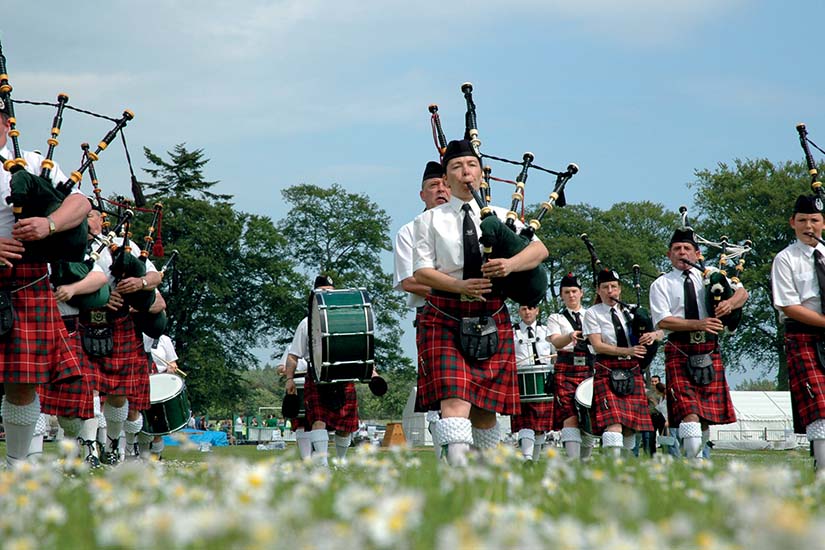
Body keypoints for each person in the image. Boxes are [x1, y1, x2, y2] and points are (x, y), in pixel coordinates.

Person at [412, 139, 549, 466]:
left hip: (492, 314)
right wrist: (459, 286)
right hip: (446, 314)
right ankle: (458, 472)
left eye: (471, 166)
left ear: (481, 175)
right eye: (457, 167)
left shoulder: (502, 216)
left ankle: (485, 475)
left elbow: (539, 251)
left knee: (486, 410)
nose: (465, 173)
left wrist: (510, 265)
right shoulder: (429, 221)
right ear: (446, 179)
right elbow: (422, 271)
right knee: (455, 399)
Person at [0, 102, 92, 467]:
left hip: (25, 278)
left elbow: (80, 203)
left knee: (22, 384)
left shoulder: (31, 164)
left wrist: (49, 224)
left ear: (8, 124)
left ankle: (16, 465)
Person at [650, 227, 746, 459]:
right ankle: (692, 463)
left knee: (703, 416)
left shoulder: (711, 274)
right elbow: (663, 321)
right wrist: (699, 324)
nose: (682, 253)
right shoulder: (661, 284)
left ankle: (699, 461)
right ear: (669, 254)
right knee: (689, 412)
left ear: (696, 253)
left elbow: (743, 293)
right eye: (676, 249)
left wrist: (730, 303)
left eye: (687, 248)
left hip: (709, 348)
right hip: (680, 349)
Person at [83, 208, 162, 464]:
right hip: (83, 320)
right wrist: (101, 296)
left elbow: (154, 276)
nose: (86, 219)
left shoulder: (119, 244)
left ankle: (113, 443)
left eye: (91, 214)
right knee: (85, 388)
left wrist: (138, 285)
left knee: (117, 394)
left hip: (119, 324)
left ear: (100, 218)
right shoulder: (69, 245)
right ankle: (88, 449)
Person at [393, 160, 450, 459]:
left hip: (478, 315)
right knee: (439, 397)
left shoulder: (474, 224)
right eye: (433, 186)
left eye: (444, 185)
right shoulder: (409, 231)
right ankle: (446, 460)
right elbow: (407, 281)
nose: (440, 190)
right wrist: (454, 290)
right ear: (422, 194)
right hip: (435, 317)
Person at [771, 194, 825, 473]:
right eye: (802, 220)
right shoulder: (785, 259)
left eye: (814, 220)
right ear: (792, 223)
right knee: (820, 406)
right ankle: (822, 471)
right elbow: (788, 306)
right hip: (804, 336)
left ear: (823, 223)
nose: (809, 226)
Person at [285, 275, 361, 466]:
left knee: (346, 425)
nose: (327, 295)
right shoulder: (306, 323)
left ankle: (341, 463)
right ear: (315, 295)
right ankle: (323, 465)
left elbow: (358, 346)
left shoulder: (345, 320)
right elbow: (293, 355)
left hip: (343, 373)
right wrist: (289, 379)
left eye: (330, 292)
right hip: (317, 375)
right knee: (318, 419)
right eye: (323, 292)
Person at [583, 269, 656, 459]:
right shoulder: (592, 313)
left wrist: (652, 334)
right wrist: (628, 351)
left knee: (631, 426)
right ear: (598, 290)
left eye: (613, 287)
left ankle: (626, 467)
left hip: (632, 369)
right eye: (605, 287)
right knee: (614, 423)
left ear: (619, 289)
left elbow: (659, 332)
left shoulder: (632, 311)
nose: (610, 291)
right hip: (608, 369)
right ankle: (612, 468)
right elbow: (597, 345)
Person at [547, 273, 596, 461]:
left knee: (589, 415)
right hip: (566, 367)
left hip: (589, 366)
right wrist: (570, 336)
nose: (571, 295)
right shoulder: (555, 318)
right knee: (569, 416)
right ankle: (573, 463)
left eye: (574, 291)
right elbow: (557, 342)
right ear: (561, 295)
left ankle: (585, 461)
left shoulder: (591, 315)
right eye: (566, 292)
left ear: (581, 293)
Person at [511, 303, 555, 461]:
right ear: (519, 311)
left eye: (530, 308)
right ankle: (527, 458)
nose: (527, 311)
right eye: (523, 308)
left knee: (539, 427)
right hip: (521, 381)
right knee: (526, 423)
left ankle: (532, 462)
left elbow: (555, 354)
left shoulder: (547, 331)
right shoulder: (512, 332)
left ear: (537, 310)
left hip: (543, 382)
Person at [136, 332, 180, 459]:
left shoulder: (164, 340)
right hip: (138, 381)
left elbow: (173, 364)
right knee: (135, 421)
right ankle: (132, 453)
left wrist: (171, 369)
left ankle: (156, 456)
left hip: (158, 384)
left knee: (156, 426)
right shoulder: (135, 335)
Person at [278, 347, 312, 460]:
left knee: (320, 423)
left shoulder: (321, 343)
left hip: (317, 385)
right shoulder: (291, 347)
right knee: (301, 423)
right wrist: (284, 370)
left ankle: (319, 459)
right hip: (297, 387)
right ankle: (306, 459)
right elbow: (280, 368)